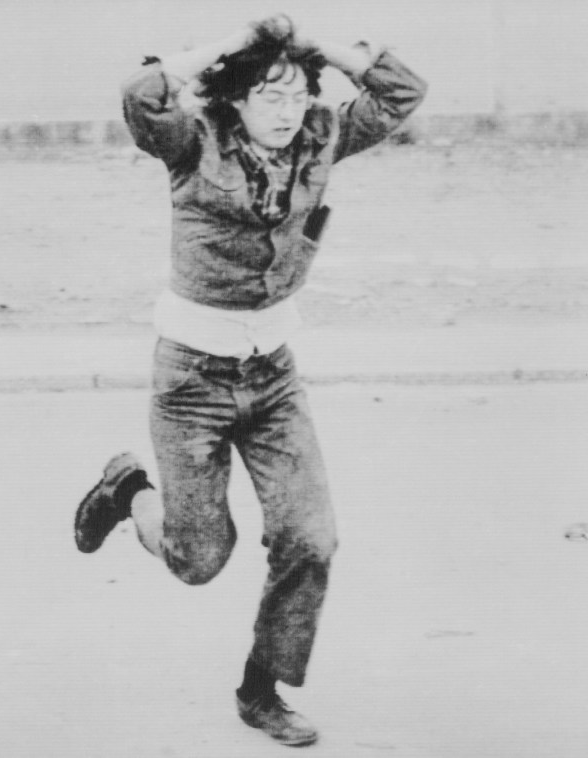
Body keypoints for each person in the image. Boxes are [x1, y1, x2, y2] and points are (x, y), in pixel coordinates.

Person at [74, 16, 426, 746]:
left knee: (312, 539)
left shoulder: (323, 136)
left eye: (297, 92)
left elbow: (400, 93)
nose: (287, 108)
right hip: (190, 382)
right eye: (268, 94)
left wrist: (316, 49)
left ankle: (262, 688)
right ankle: (128, 491)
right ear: (235, 99)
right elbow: (141, 96)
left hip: (273, 378)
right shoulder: (193, 140)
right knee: (198, 560)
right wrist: (228, 50)